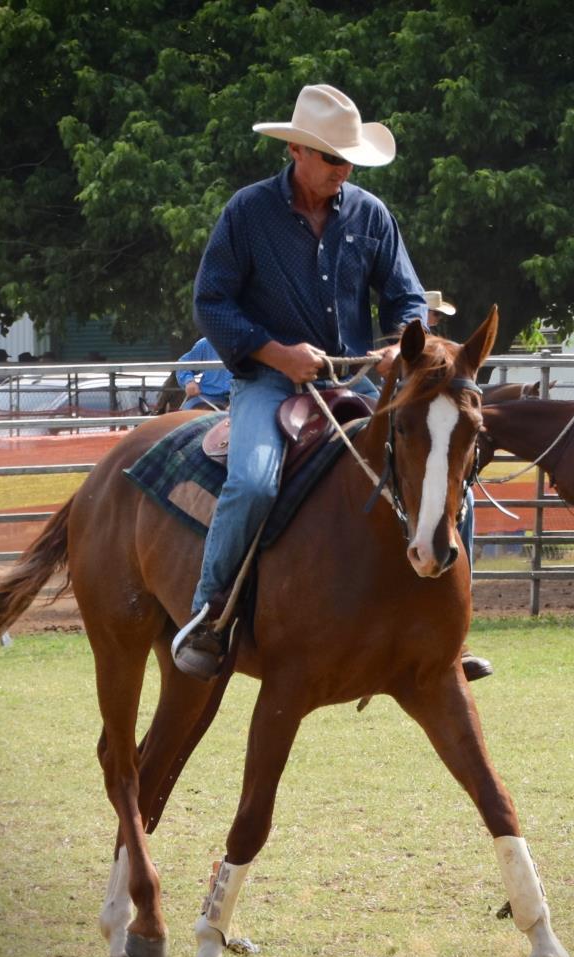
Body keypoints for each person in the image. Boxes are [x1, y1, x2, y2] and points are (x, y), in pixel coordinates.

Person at [173, 83, 490, 683]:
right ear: (296, 150)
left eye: (349, 159)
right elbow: (211, 302)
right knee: (253, 483)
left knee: (451, 480)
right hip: (268, 383)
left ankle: (450, 628)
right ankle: (211, 615)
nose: (343, 169)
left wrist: (401, 343)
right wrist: (277, 354)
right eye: (332, 157)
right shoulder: (247, 212)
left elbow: (406, 297)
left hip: (355, 382)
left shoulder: (371, 214)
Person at [175, 336, 233, 410]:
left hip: (242, 396)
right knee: (187, 415)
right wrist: (189, 381)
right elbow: (183, 365)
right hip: (208, 396)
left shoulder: (247, 343)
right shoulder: (205, 343)